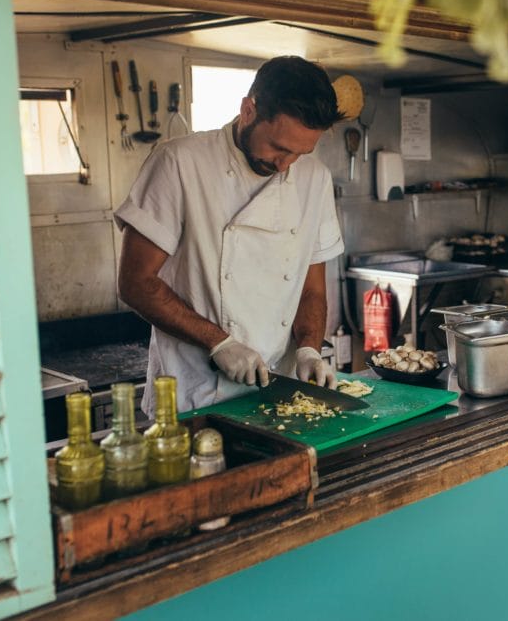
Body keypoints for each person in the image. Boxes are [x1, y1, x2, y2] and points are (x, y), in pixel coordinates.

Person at [115, 56, 345, 416]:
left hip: (277, 398)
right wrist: (219, 343)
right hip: (194, 397)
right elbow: (135, 282)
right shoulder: (179, 163)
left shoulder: (315, 179)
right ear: (248, 110)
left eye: (300, 153)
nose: (285, 166)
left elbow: (311, 289)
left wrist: (309, 349)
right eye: (279, 148)